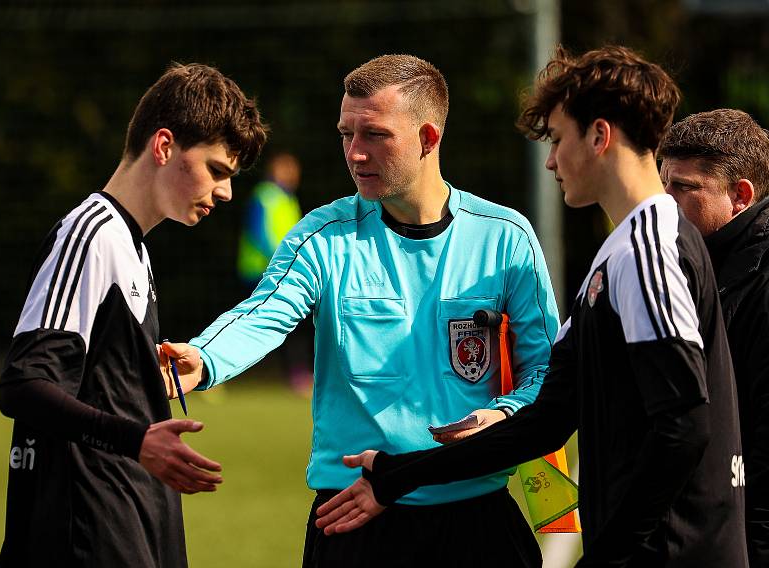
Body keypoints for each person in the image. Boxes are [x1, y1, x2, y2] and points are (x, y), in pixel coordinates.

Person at [315, 46, 749, 567]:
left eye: (558, 139)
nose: (550, 160)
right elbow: (546, 418)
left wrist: (608, 554)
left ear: (598, 137)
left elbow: (683, 426)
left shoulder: (649, 250)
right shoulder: (619, 252)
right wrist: (399, 475)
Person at [162, 54, 559, 567]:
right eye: (345, 134)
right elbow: (264, 312)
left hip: (474, 514)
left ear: (428, 138)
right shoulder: (322, 236)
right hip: (352, 516)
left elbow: (547, 371)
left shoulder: (504, 238)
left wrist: (501, 415)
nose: (354, 153)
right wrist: (205, 356)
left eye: (374, 135)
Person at [0, 62, 267, 567]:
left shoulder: (133, 248)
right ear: (164, 146)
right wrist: (136, 439)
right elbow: (24, 382)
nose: (227, 192)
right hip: (86, 535)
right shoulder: (90, 234)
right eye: (216, 169)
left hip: (132, 526)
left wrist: (139, 376)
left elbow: (93, 382)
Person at [658, 108, 769, 566]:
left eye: (684, 188)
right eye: (661, 184)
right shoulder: (694, 260)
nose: (665, 201)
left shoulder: (759, 281)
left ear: (740, 195)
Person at [237, 151, 313, 393]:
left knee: (294, 324)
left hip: (285, 271)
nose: (291, 175)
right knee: (252, 323)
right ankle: (235, 369)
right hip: (259, 271)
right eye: (285, 170)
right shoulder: (265, 196)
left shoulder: (289, 199)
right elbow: (259, 233)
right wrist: (280, 258)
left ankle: (296, 374)